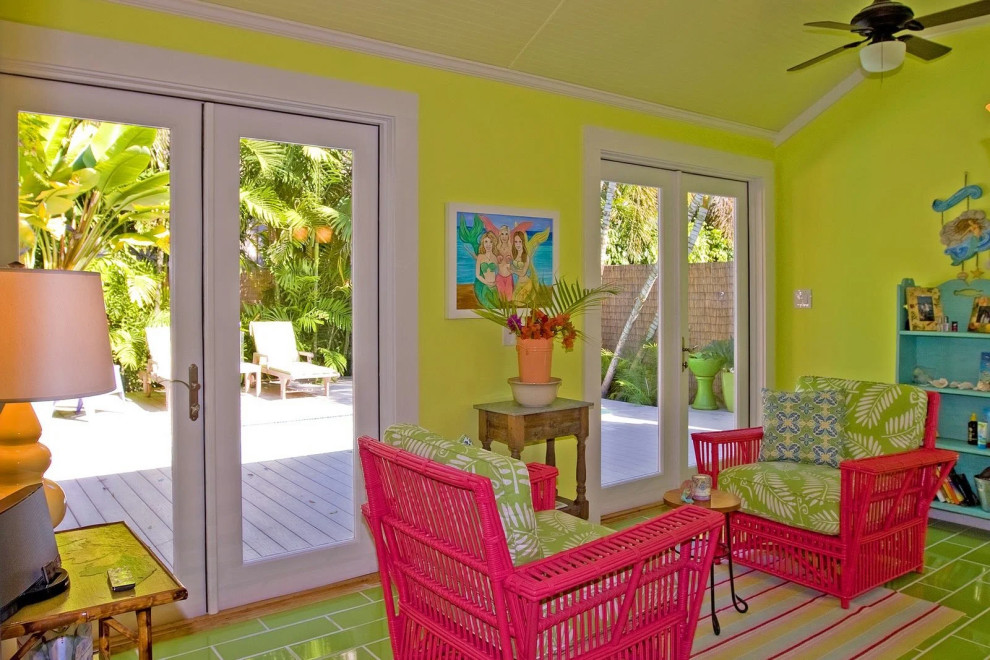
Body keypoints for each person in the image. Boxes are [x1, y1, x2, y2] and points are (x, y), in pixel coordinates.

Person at [474, 232, 499, 309]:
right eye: (486, 242)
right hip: (486, 287)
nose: (488, 244)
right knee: (489, 308)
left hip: (494, 288)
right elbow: (477, 275)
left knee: (497, 308)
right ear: (483, 243)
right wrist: (487, 283)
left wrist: (496, 283)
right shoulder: (480, 257)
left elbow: (497, 272)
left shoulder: (495, 257)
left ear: (493, 243)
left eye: (490, 242)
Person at [510, 230, 532, 302]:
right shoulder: (514, 255)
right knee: (513, 299)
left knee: (519, 302)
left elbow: (523, 273)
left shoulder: (526, 257)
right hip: (519, 283)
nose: (518, 244)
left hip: (527, 283)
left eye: (520, 241)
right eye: (516, 242)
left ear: (523, 242)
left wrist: (513, 271)